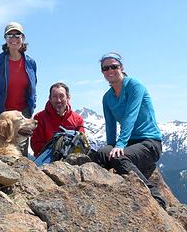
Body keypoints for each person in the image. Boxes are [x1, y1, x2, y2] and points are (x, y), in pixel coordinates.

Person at [88, 52, 166, 209]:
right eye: (105, 68)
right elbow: (110, 126)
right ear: (102, 72)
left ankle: (155, 197)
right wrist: (110, 148)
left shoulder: (134, 86)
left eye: (114, 66)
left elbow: (131, 115)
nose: (110, 70)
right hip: (130, 143)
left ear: (121, 67)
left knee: (118, 158)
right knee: (102, 154)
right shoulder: (107, 98)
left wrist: (120, 144)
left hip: (149, 142)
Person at [0, 21, 37, 156]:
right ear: (5, 40)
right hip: (1, 116)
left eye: (17, 35)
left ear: (23, 38)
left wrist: (30, 109)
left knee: (19, 157)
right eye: (9, 35)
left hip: (21, 117)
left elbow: (33, 89)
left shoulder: (31, 63)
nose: (14, 38)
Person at [31, 82, 85, 157]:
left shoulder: (78, 119)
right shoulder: (39, 118)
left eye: (61, 96)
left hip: (71, 161)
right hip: (46, 161)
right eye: (55, 96)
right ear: (50, 99)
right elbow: (36, 145)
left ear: (68, 97)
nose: (58, 100)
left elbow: (82, 145)